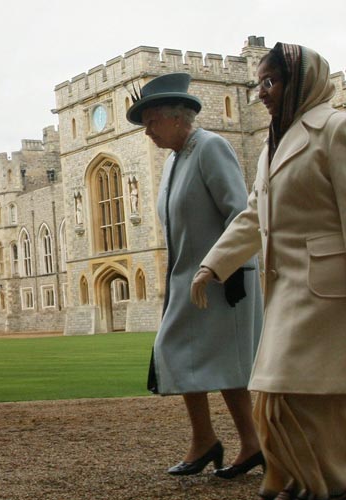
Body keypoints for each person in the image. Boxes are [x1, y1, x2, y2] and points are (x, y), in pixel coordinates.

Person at [191, 43, 346, 500]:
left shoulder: (340, 128)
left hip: (334, 291)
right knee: (276, 392)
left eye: (271, 82)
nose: (261, 93)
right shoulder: (271, 146)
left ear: (301, 81)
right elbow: (252, 215)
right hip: (286, 289)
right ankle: (307, 481)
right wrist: (214, 263)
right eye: (258, 84)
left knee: (324, 394)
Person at [126, 72, 264, 478]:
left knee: (217, 362)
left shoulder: (211, 147)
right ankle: (218, 440)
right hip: (186, 280)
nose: (147, 131)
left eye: (151, 121)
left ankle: (235, 443)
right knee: (191, 356)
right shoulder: (172, 161)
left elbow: (239, 213)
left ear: (176, 118)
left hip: (222, 280)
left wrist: (229, 268)